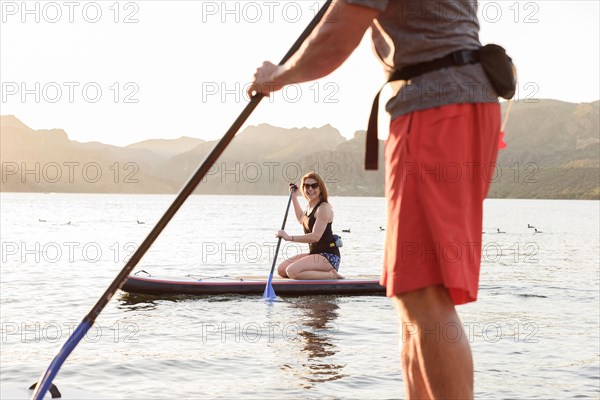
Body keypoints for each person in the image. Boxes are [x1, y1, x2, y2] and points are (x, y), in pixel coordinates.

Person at [249, 1, 502, 399]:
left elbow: (335, 38)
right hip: (453, 102)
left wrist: (277, 76)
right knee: (411, 291)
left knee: (423, 293)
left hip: (437, 106)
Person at [275, 173, 343, 280]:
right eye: (307, 186)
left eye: (314, 185)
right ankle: (309, 274)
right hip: (315, 254)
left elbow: (315, 237)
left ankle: (331, 274)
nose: (310, 188)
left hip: (328, 256)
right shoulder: (310, 206)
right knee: (282, 270)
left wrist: (289, 238)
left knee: (291, 271)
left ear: (320, 188)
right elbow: (302, 220)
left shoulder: (323, 208)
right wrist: (294, 198)